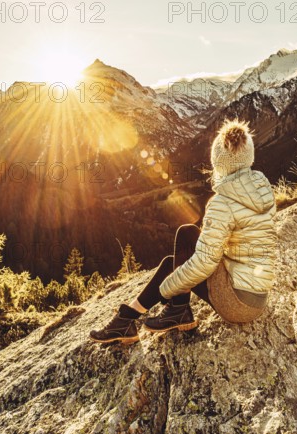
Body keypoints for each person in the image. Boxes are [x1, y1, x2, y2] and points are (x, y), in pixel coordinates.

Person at [90, 119, 277, 344]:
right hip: (257, 297)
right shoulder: (263, 192)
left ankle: (160, 312)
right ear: (249, 156)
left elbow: (204, 263)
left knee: (186, 237)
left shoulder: (223, 203)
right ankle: (130, 317)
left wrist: (167, 288)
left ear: (218, 162)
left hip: (237, 304)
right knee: (178, 255)